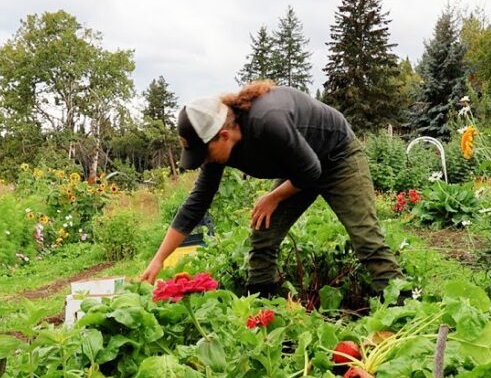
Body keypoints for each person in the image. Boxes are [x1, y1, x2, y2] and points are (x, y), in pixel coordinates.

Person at [138, 81, 404, 297]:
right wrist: (159, 259)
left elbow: (312, 171)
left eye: (204, 154)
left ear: (223, 135)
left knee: (366, 238)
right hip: (301, 167)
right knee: (263, 235)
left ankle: (403, 304)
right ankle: (264, 307)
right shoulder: (220, 148)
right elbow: (197, 202)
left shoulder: (268, 121)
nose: (203, 161)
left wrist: (273, 197)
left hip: (337, 157)